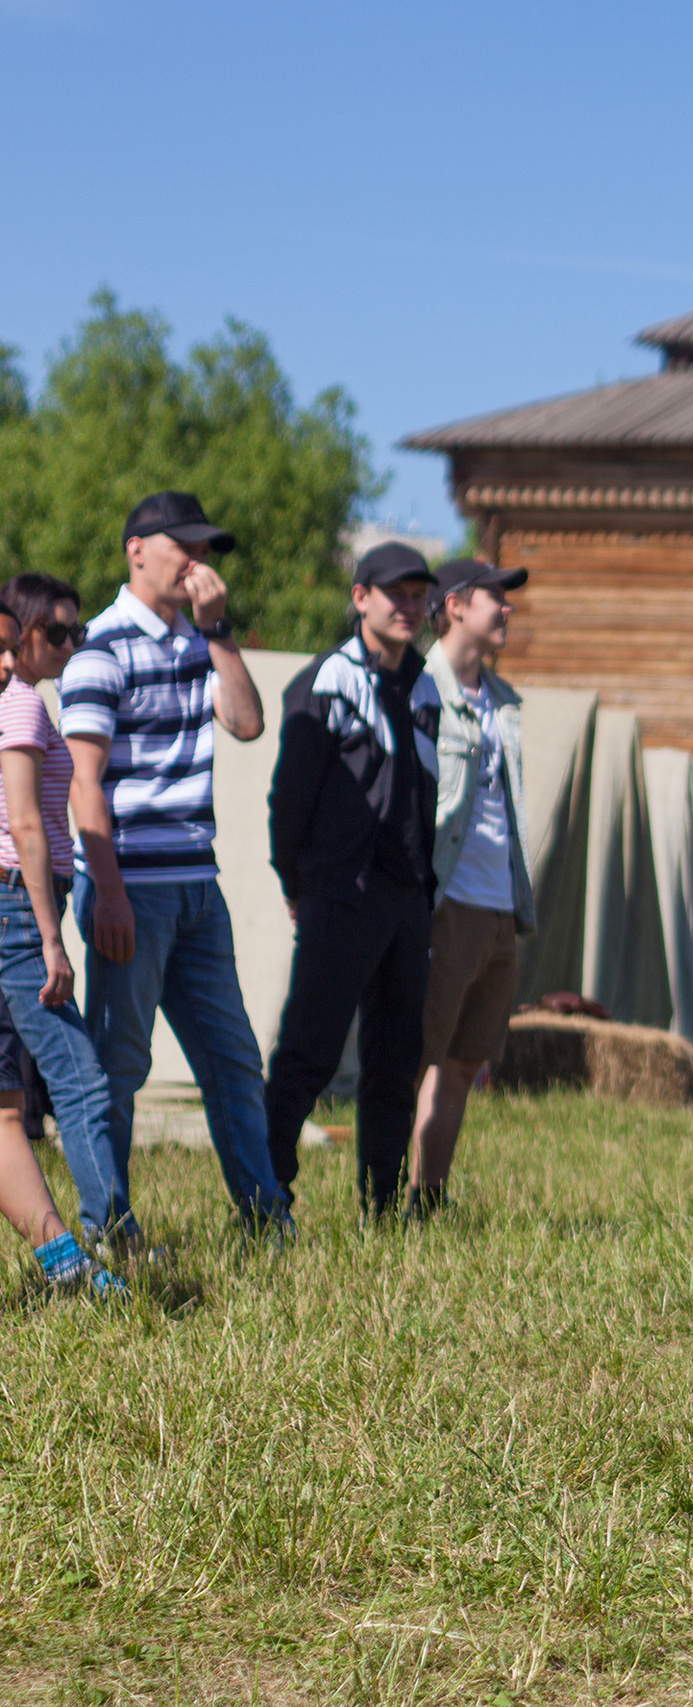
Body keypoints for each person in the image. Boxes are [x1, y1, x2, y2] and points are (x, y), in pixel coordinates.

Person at [63, 491, 293, 1244]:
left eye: (206, 548)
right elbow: (84, 783)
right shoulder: (98, 646)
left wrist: (219, 629)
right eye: (183, 545)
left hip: (198, 881)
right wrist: (111, 894)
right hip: (129, 882)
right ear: (137, 549)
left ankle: (266, 1216)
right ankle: (110, 1226)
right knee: (120, 1066)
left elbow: (248, 723)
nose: (199, 560)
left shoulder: (200, 642)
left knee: (232, 1058)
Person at [265, 542, 442, 1218]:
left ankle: (384, 1204)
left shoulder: (424, 685)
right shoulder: (325, 682)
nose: (409, 605)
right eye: (394, 592)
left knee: (396, 1061)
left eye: (418, 593)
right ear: (361, 596)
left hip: (406, 901)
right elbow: (290, 797)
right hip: (341, 894)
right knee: (306, 1054)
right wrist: (298, 882)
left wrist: (425, 889)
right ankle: (267, 1194)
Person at [0, 580, 125, 1295]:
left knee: (9, 1106)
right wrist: (51, 937)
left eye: (76, 632)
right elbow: (23, 828)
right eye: (58, 633)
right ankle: (112, 1232)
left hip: (19, 908)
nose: (70, 645)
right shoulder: (19, 702)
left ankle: (68, 1261)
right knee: (79, 1078)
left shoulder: (24, 701)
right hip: (19, 910)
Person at [408, 557, 536, 1220]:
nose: (508, 609)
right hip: (447, 902)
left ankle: (431, 1195)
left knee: (464, 1063)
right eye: (497, 597)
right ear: (455, 605)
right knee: (420, 1058)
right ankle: (392, 1196)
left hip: (499, 906)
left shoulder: (504, 700)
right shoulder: (419, 689)